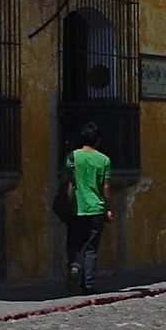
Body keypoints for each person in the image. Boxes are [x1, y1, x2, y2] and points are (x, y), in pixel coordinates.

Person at [63, 122, 113, 295]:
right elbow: (106, 187)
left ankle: (75, 264)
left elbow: (66, 182)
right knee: (91, 248)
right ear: (97, 140)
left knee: (74, 244)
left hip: (77, 207)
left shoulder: (73, 157)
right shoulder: (104, 160)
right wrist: (108, 208)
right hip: (96, 209)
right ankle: (88, 284)